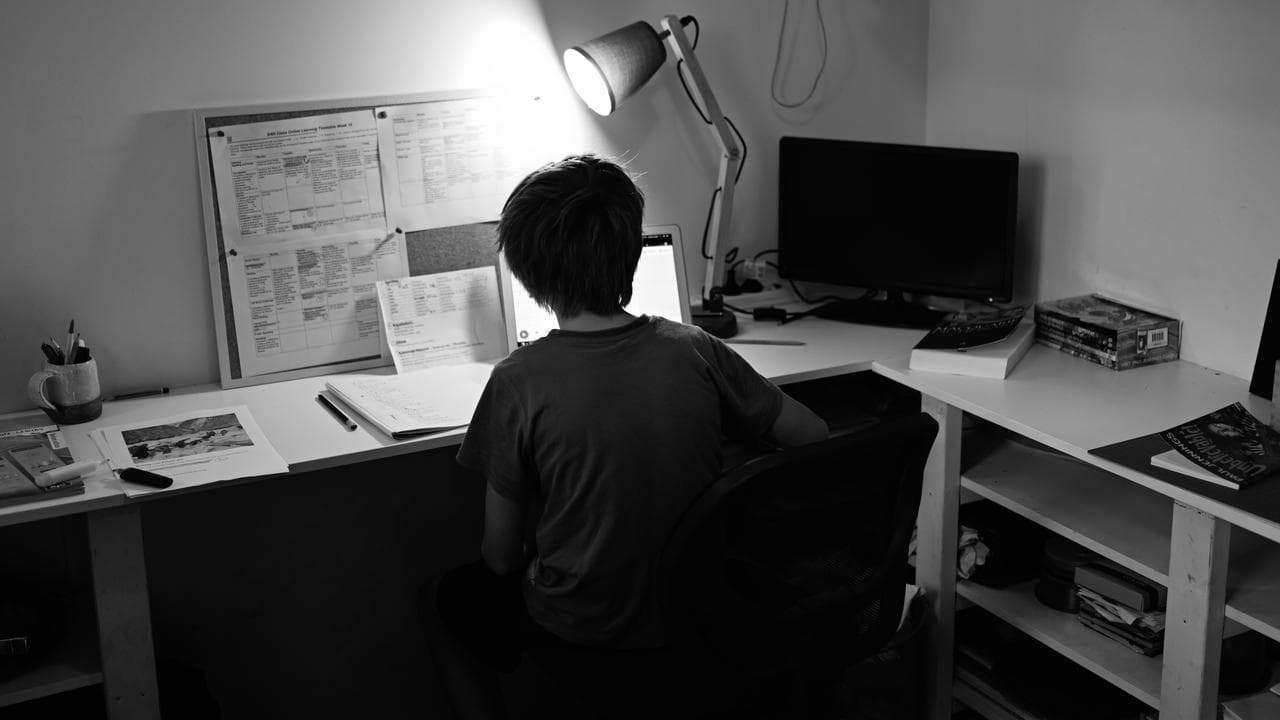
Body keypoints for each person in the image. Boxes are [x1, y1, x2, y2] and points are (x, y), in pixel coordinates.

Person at [420, 154, 828, 720]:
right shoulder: (694, 348)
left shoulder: (518, 380)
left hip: (587, 624)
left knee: (441, 598)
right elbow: (816, 436)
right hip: (702, 611)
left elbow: (500, 555)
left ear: (524, 271)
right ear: (633, 253)